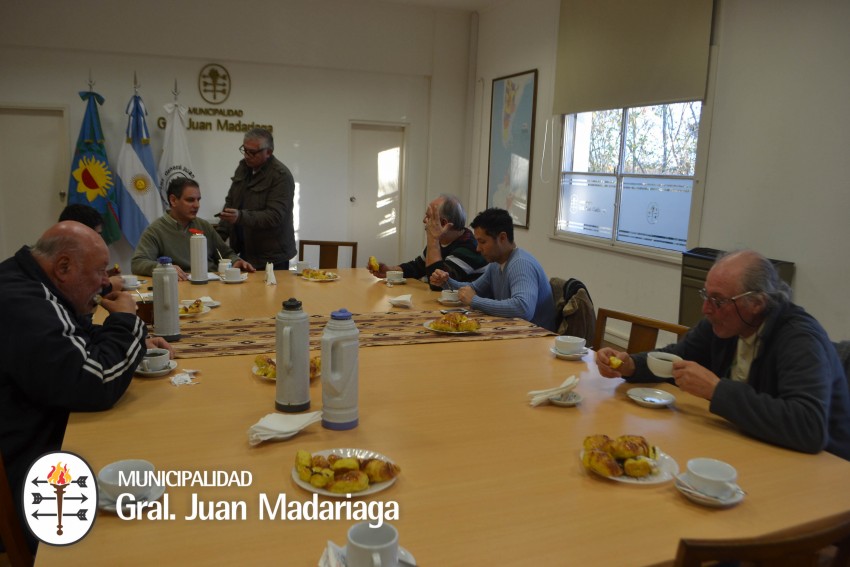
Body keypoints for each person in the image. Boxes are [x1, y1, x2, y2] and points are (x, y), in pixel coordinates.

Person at [0, 221, 172, 552]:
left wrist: (136, 341)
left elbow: (73, 338)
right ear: (63, 266)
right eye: (100, 271)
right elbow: (94, 383)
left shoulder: (31, 284)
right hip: (29, 476)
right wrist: (126, 322)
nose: (106, 283)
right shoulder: (25, 305)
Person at [595, 250, 850, 460]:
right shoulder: (723, 324)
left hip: (824, 469)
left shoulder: (799, 339)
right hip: (753, 445)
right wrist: (629, 365)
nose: (706, 309)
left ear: (757, 303)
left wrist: (716, 390)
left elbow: (809, 427)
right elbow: (676, 360)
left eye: (718, 300)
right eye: (706, 296)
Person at [430, 207, 556, 331]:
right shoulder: (496, 264)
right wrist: (446, 282)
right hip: (514, 333)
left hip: (534, 340)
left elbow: (523, 309)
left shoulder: (521, 264)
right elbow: (473, 289)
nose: (478, 249)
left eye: (482, 242)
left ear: (502, 238)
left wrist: (475, 301)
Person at [131, 177, 255, 280]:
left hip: (211, 283)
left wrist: (236, 261)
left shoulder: (204, 225)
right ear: (173, 200)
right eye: (190, 200)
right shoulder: (156, 230)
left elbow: (226, 253)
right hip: (181, 285)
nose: (197, 205)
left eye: (198, 200)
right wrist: (164, 268)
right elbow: (138, 263)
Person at [368, 194, 487, 290]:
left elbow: (438, 284)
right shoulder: (442, 241)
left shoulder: (470, 246)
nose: (424, 221)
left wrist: (433, 238)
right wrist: (390, 270)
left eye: (428, 217)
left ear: (444, 223)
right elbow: (417, 266)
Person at [215, 128, 296, 269]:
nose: (246, 155)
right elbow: (231, 202)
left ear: (268, 152)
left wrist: (240, 217)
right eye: (244, 150)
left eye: (252, 152)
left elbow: (275, 216)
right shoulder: (243, 168)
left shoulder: (281, 176)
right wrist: (219, 237)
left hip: (272, 257)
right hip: (243, 251)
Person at [59, 203, 123, 290]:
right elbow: (76, 292)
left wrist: (103, 276)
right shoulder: (68, 257)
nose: (100, 240)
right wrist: (110, 287)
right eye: (97, 234)